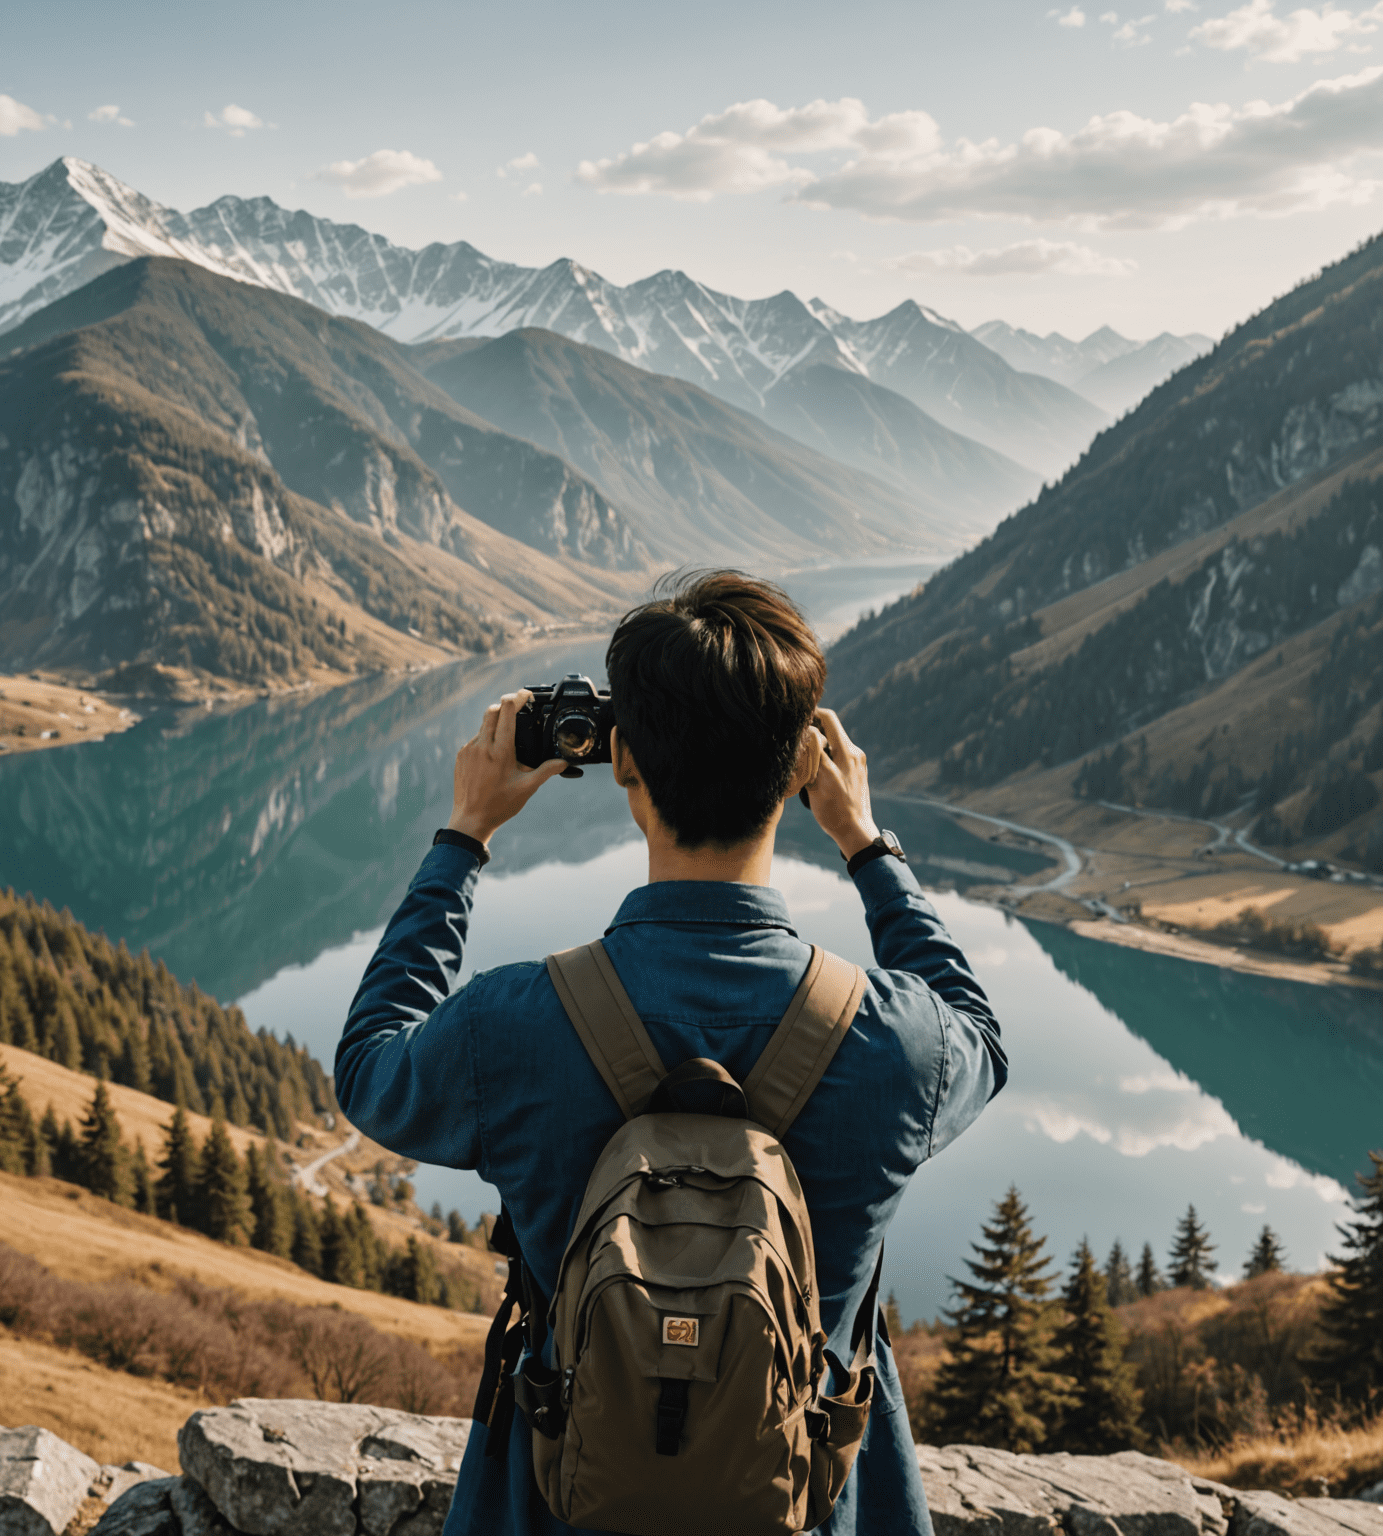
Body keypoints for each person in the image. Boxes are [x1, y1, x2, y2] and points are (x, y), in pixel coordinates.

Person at [336, 571, 1006, 1535]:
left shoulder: (515, 1023)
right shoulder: (896, 1042)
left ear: (623, 766)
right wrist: (866, 843)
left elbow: (367, 1069)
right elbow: (978, 1035)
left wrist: (463, 836)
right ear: (799, 771)